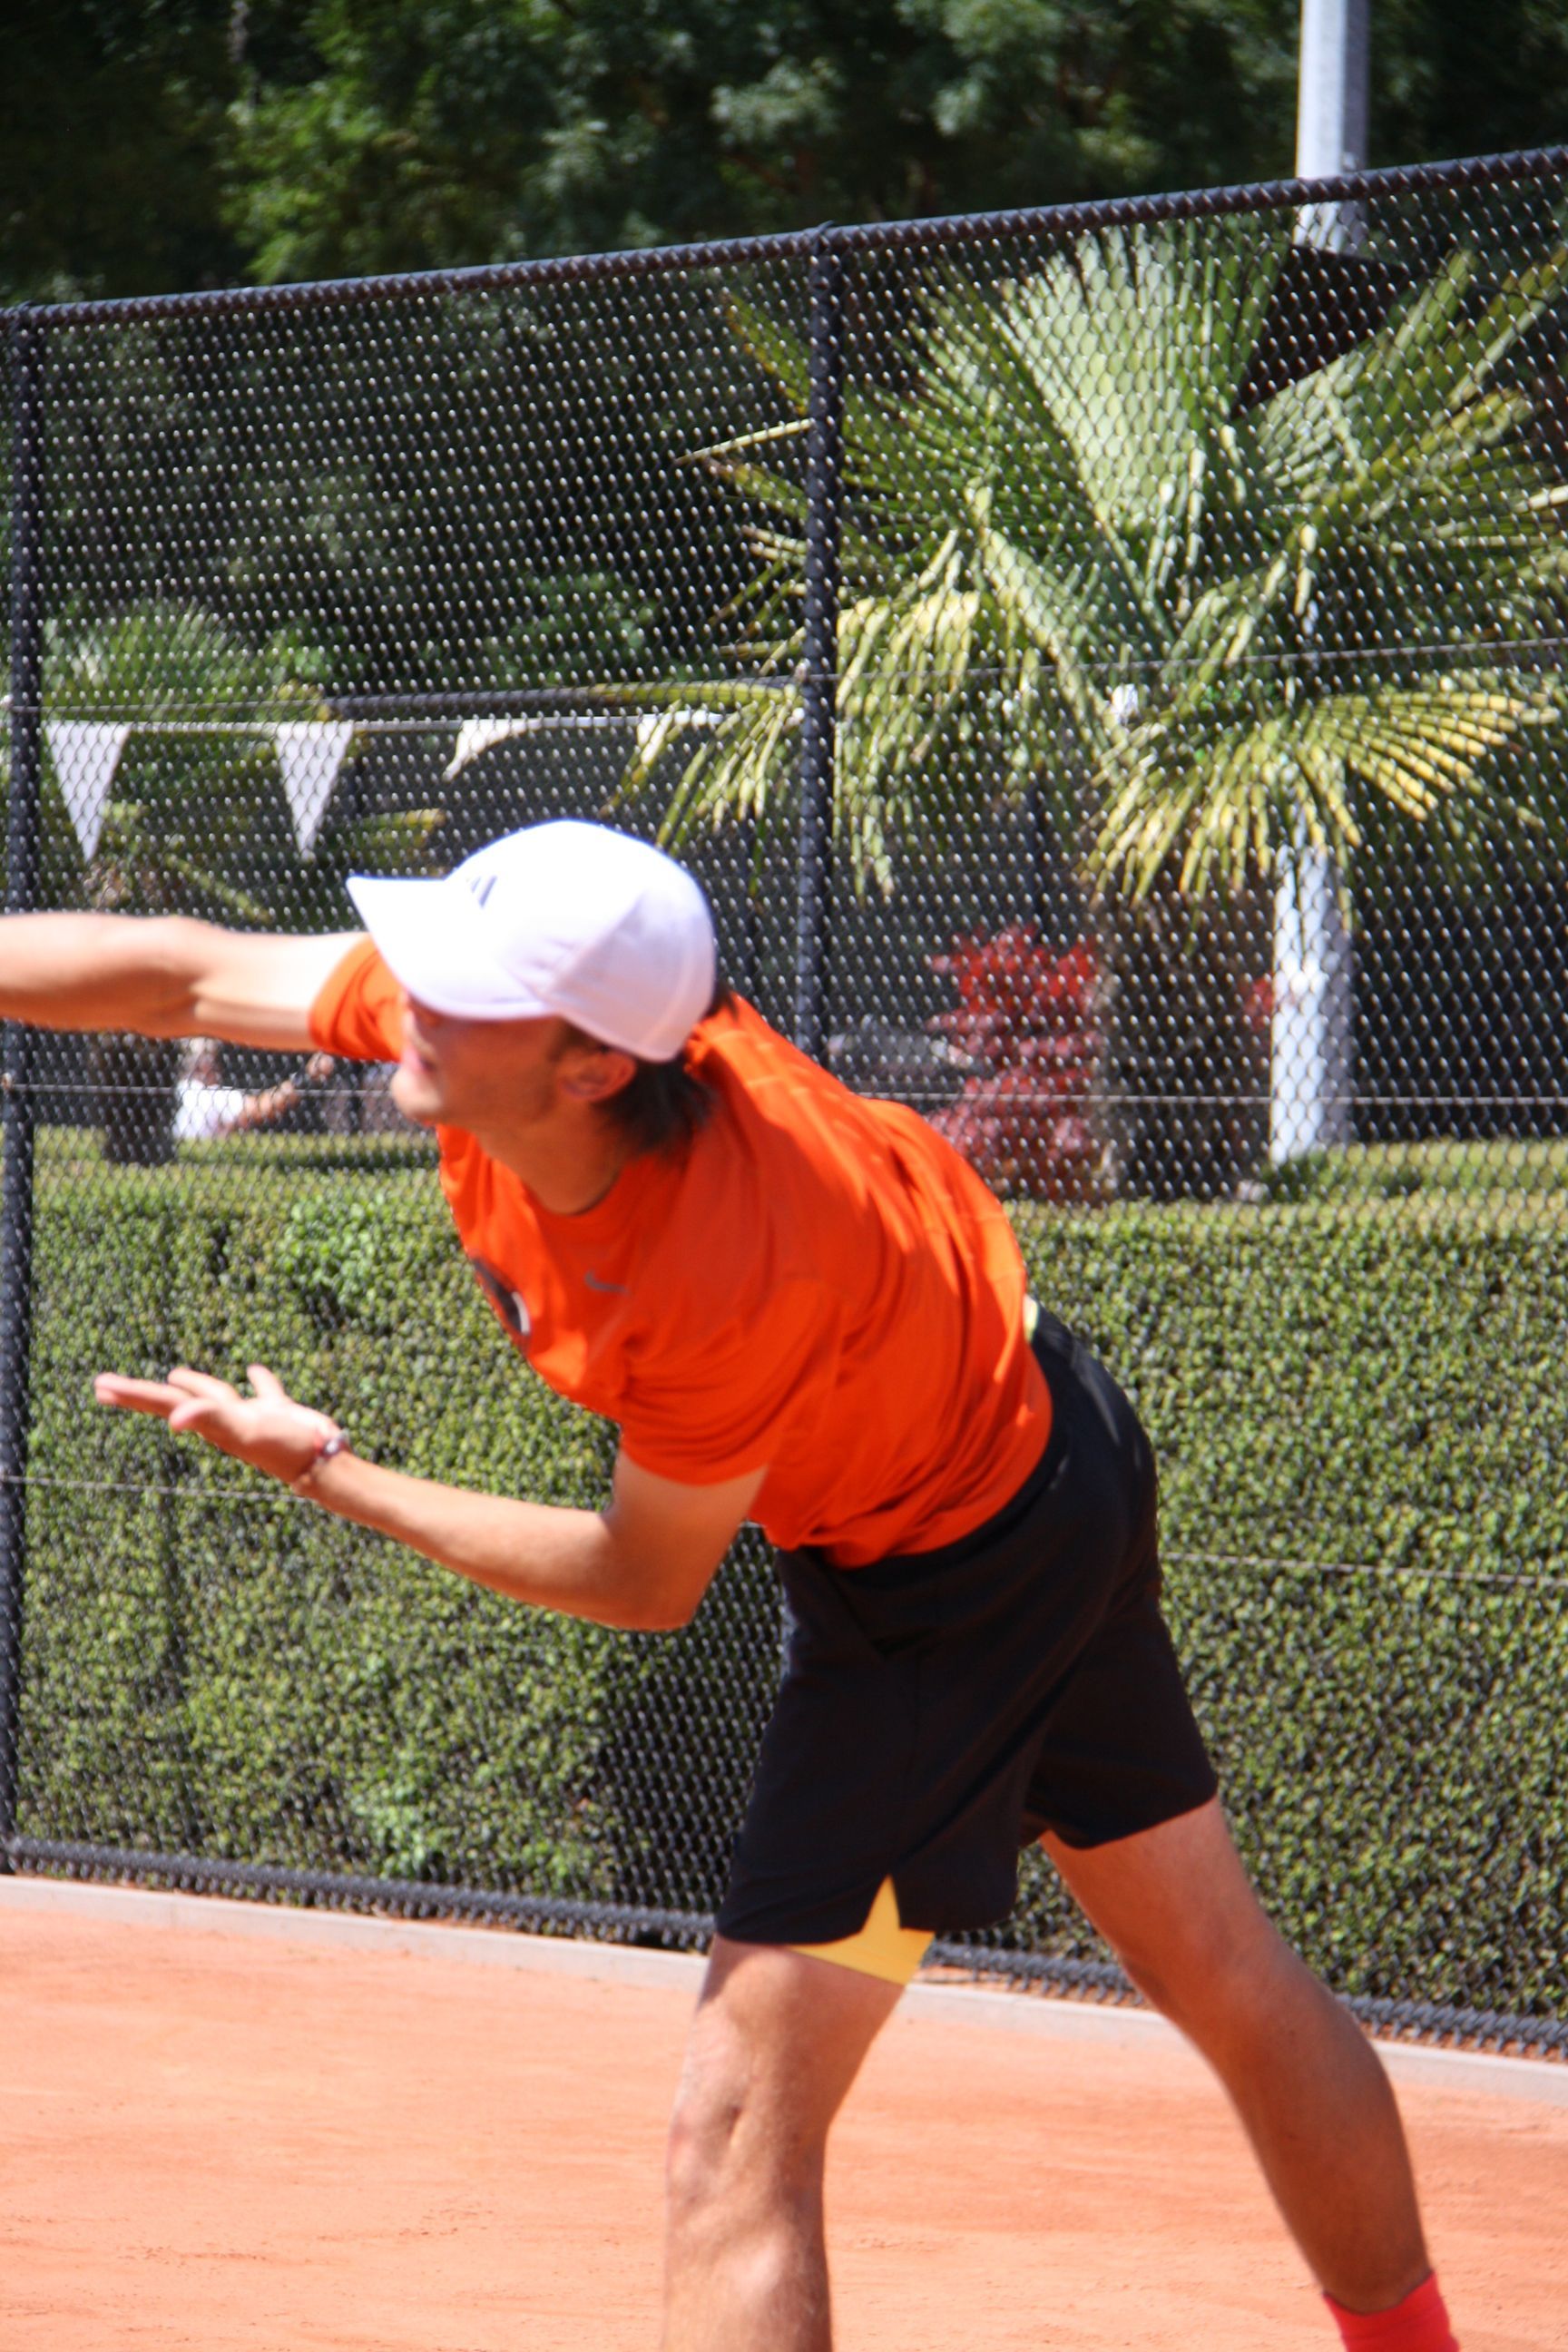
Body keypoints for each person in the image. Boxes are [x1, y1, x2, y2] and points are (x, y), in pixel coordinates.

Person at [5, 818, 1457, 2352]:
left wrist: (324, 1467)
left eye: (467, 985)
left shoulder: (728, 1257)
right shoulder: (496, 1028)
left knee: (733, 2124)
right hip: (1037, 1433)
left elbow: (642, 1576)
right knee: (1216, 1967)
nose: (411, 992)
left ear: (591, 1067)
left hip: (948, 1576)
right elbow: (180, 976)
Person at [172, 1036, 338, 1142]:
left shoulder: (176, 1091)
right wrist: (307, 1077)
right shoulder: (209, 1096)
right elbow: (261, 1109)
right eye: (214, 1062)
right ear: (203, 1066)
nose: (219, 1068)